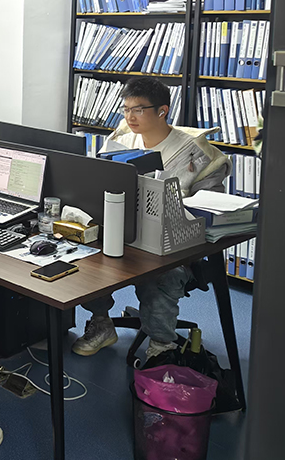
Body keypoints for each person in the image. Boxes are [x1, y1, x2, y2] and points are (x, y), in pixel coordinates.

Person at [72, 76, 230, 359]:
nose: (129, 117)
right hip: (122, 232)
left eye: (138, 110)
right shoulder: (120, 139)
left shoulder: (198, 155)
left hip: (171, 245)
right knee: (83, 257)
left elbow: (208, 211)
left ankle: (161, 347)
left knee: (160, 277)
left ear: (162, 111)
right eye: (126, 109)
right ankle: (102, 323)